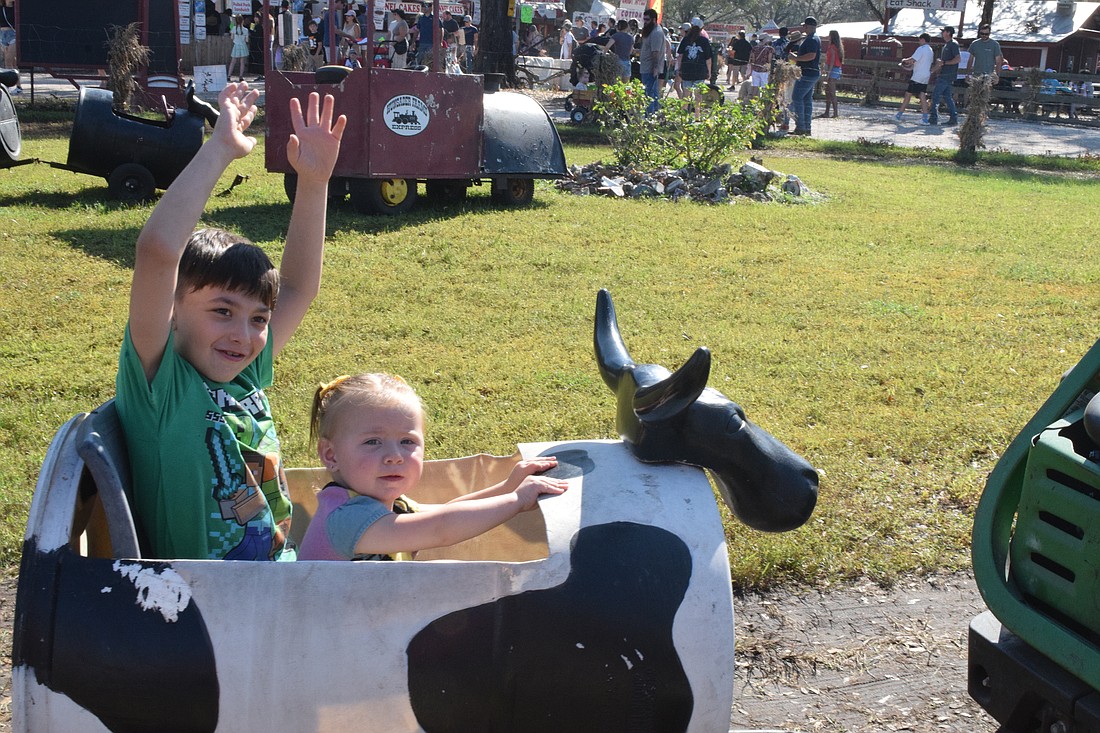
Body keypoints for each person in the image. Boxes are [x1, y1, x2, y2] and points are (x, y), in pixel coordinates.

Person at [114, 85, 345, 561]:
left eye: (259, 318)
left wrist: (315, 182)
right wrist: (219, 149)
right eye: (222, 311)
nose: (244, 335)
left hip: (280, 583)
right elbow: (157, 253)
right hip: (213, 613)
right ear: (172, 312)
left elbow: (298, 286)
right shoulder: (161, 387)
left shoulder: (244, 375)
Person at [297, 374, 569, 561]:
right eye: (372, 442)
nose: (394, 456)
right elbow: (441, 528)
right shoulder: (346, 518)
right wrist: (517, 500)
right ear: (331, 454)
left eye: (407, 441)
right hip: (321, 638)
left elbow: (449, 512)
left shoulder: (387, 503)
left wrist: (509, 487)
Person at [788, 17, 820, 136]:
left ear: (807, 26)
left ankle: (800, 126)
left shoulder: (811, 39)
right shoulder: (814, 38)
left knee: (796, 98)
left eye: (804, 26)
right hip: (811, 72)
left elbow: (811, 55)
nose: (803, 29)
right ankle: (807, 127)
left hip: (807, 73)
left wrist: (796, 58)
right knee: (806, 100)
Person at [895, 32, 934, 124]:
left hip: (917, 76)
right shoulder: (930, 50)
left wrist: (904, 60)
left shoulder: (921, 49)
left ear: (923, 39)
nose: (919, 42)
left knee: (908, 95)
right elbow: (918, 64)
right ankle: (925, 118)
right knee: (922, 95)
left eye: (920, 40)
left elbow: (912, 60)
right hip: (925, 75)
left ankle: (898, 115)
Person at [928, 25, 960, 126]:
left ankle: (933, 118)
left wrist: (944, 63)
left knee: (936, 95)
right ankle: (953, 118)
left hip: (946, 75)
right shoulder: (947, 45)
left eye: (943, 32)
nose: (942, 33)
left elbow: (958, 59)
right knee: (947, 97)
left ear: (948, 33)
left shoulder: (953, 44)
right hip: (946, 75)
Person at [676, 16, 712, 104]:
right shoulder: (704, 41)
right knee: (698, 96)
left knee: (686, 95)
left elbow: (680, 55)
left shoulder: (685, 40)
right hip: (700, 71)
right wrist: (709, 72)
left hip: (686, 70)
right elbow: (708, 59)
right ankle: (697, 115)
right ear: (701, 28)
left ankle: (684, 115)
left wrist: (678, 68)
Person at [638, 7, 665, 113]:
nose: (645, 22)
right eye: (644, 19)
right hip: (645, 67)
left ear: (654, 20)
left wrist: (655, 67)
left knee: (650, 94)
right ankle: (654, 115)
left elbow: (656, 53)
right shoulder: (650, 31)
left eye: (647, 19)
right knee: (651, 93)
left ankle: (650, 116)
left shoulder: (656, 33)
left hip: (650, 68)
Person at [820, 29, 843, 117]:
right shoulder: (835, 47)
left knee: (832, 91)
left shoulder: (833, 47)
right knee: (828, 91)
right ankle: (828, 112)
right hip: (834, 69)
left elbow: (832, 60)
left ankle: (835, 113)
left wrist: (828, 73)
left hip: (833, 69)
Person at [748, 32, 775, 98]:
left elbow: (753, 60)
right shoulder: (770, 49)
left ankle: (753, 102)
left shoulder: (754, 48)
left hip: (755, 70)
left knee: (755, 87)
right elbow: (769, 60)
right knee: (764, 88)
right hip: (764, 70)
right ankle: (762, 104)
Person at [0, 0, 16, 94]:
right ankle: (17, 86)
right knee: (12, 63)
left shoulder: (15, 9)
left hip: (12, 34)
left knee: (9, 61)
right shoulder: (1, 8)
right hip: (2, 35)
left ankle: (9, 86)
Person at [228, 14, 250, 83]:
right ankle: (240, 76)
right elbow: (247, 40)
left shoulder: (233, 28)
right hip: (243, 46)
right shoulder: (246, 30)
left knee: (233, 61)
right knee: (242, 62)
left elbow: (232, 38)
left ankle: (229, 76)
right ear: (243, 21)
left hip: (236, 45)